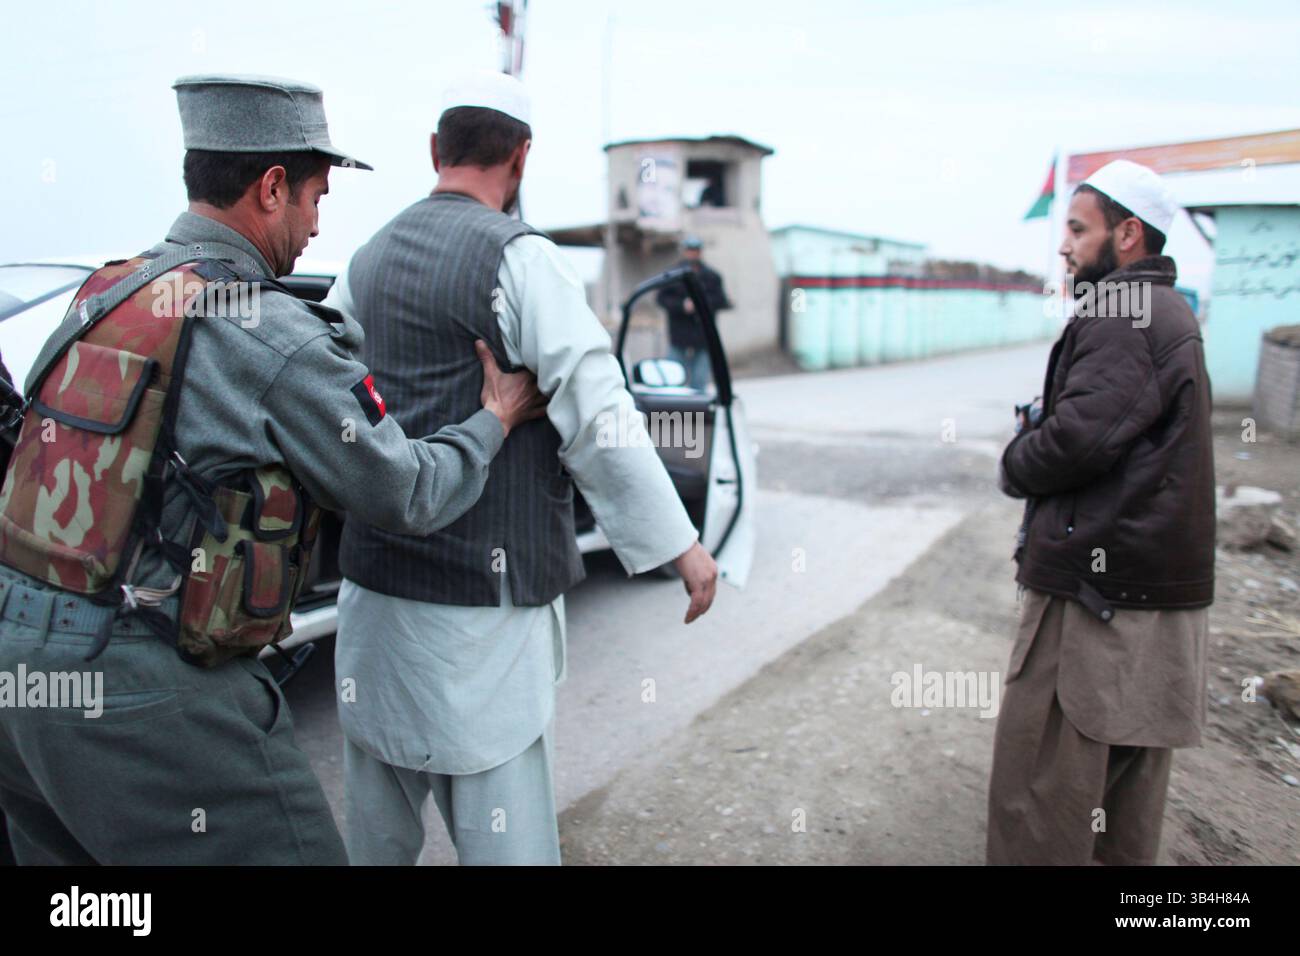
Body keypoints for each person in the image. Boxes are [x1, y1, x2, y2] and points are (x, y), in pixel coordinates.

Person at [0, 74, 546, 865]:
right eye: (316, 199)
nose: (318, 227)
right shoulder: (269, 332)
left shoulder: (105, 290)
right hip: (138, 682)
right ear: (271, 187)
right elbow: (408, 489)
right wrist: (493, 420)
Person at [325, 71, 719, 866]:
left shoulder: (362, 263)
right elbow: (599, 410)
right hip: (478, 619)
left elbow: (331, 399)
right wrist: (679, 544)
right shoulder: (521, 261)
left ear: (436, 150)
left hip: (372, 603)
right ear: (523, 158)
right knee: (507, 842)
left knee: (376, 840)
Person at [986, 160, 1214, 865]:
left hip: (1097, 601)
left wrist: (1016, 456)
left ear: (1127, 234)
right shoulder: (1167, 311)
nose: (1064, 246)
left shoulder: (1124, 312)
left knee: (1043, 796)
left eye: (1078, 230)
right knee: (1123, 812)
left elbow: (1079, 438)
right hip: (1144, 597)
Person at [654, 235, 731, 389]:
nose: (693, 253)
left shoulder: (711, 276)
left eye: (695, 250)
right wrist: (682, 305)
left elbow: (721, 300)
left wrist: (700, 303)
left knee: (700, 381)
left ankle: (697, 413)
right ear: (684, 252)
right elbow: (661, 299)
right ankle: (676, 412)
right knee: (673, 379)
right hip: (679, 335)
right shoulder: (672, 275)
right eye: (690, 250)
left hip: (703, 335)